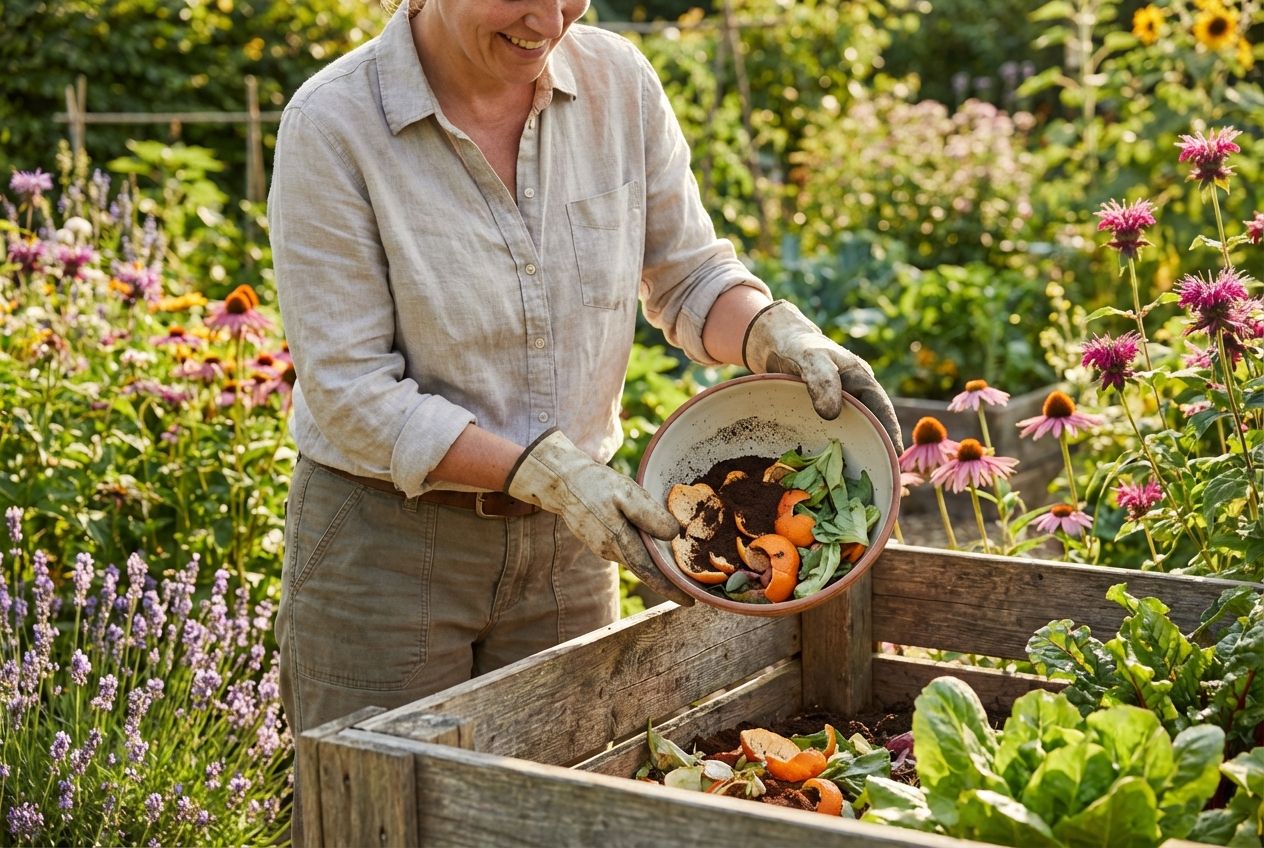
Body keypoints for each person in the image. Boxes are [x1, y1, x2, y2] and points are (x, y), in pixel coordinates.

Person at [268, 0, 900, 768]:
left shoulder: (616, 83)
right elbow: (351, 389)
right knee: (382, 810)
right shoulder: (334, 125)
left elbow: (689, 275)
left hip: (572, 548)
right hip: (388, 551)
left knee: (563, 802)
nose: (549, 20)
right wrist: (542, 470)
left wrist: (773, 332)